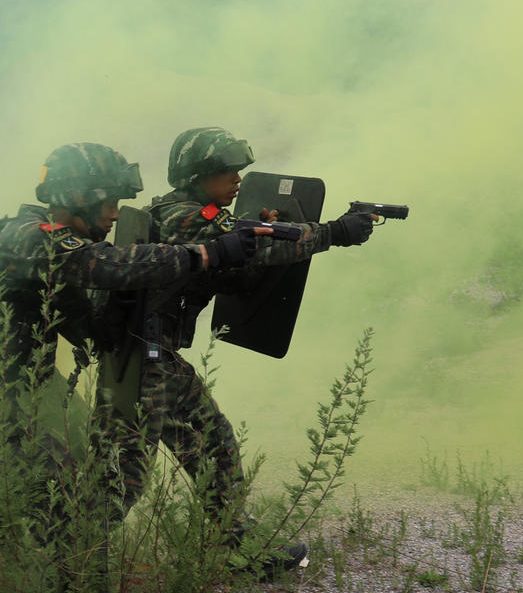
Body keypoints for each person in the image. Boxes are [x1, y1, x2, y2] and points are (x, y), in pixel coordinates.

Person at [0, 142, 263, 534]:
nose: (114, 213)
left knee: (46, 467)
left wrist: (128, 301)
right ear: (76, 197)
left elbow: (91, 331)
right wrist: (208, 253)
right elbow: (105, 265)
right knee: (64, 484)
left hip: (18, 384)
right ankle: (60, 575)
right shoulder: (27, 238)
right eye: (108, 202)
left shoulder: (44, 248)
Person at [137, 126, 376, 567]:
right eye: (227, 172)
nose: (238, 181)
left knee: (212, 440)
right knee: (129, 472)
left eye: (239, 172)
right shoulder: (185, 217)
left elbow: (234, 258)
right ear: (197, 175)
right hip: (144, 360)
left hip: (154, 358)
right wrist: (335, 232)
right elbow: (257, 248)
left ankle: (239, 545)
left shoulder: (194, 213)